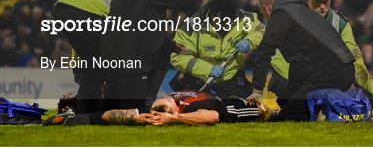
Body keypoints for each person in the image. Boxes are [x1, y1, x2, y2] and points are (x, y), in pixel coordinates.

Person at [100, 0, 194, 113]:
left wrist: (170, 45)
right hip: (133, 62)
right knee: (136, 113)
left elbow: (141, 25)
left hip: (112, 58)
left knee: (109, 112)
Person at [250, 0, 355, 121]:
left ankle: (338, 110)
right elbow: (299, 61)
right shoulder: (305, 12)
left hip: (326, 75)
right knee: (293, 102)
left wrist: (257, 91)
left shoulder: (280, 14)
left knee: (287, 118)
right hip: (345, 70)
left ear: (266, 9)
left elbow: (264, 52)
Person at [170, 0, 265, 98]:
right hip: (198, 79)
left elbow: (262, 30)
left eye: (231, 22)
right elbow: (178, 57)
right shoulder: (191, 27)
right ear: (213, 16)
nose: (228, 26)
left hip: (231, 78)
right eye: (224, 23)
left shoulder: (244, 18)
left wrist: (250, 41)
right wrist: (207, 69)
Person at [306, 0, 373, 105]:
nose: (323, 6)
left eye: (326, 1)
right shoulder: (296, 18)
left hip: (328, 76)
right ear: (308, 0)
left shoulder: (340, 24)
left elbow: (356, 61)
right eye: (318, 1)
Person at [44, 90, 274, 126]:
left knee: (267, 113)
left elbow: (212, 117)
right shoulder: (165, 101)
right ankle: (72, 117)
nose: (157, 112)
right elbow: (125, 114)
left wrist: (174, 120)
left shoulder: (200, 106)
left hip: (246, 106)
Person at [54, 0, 115, 113]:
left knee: (93, 61)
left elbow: (82, 48)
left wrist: (77, 68)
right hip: (88, 9)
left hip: (63, 5)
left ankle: (83, 108)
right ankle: (88, 111)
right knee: (97, 66)